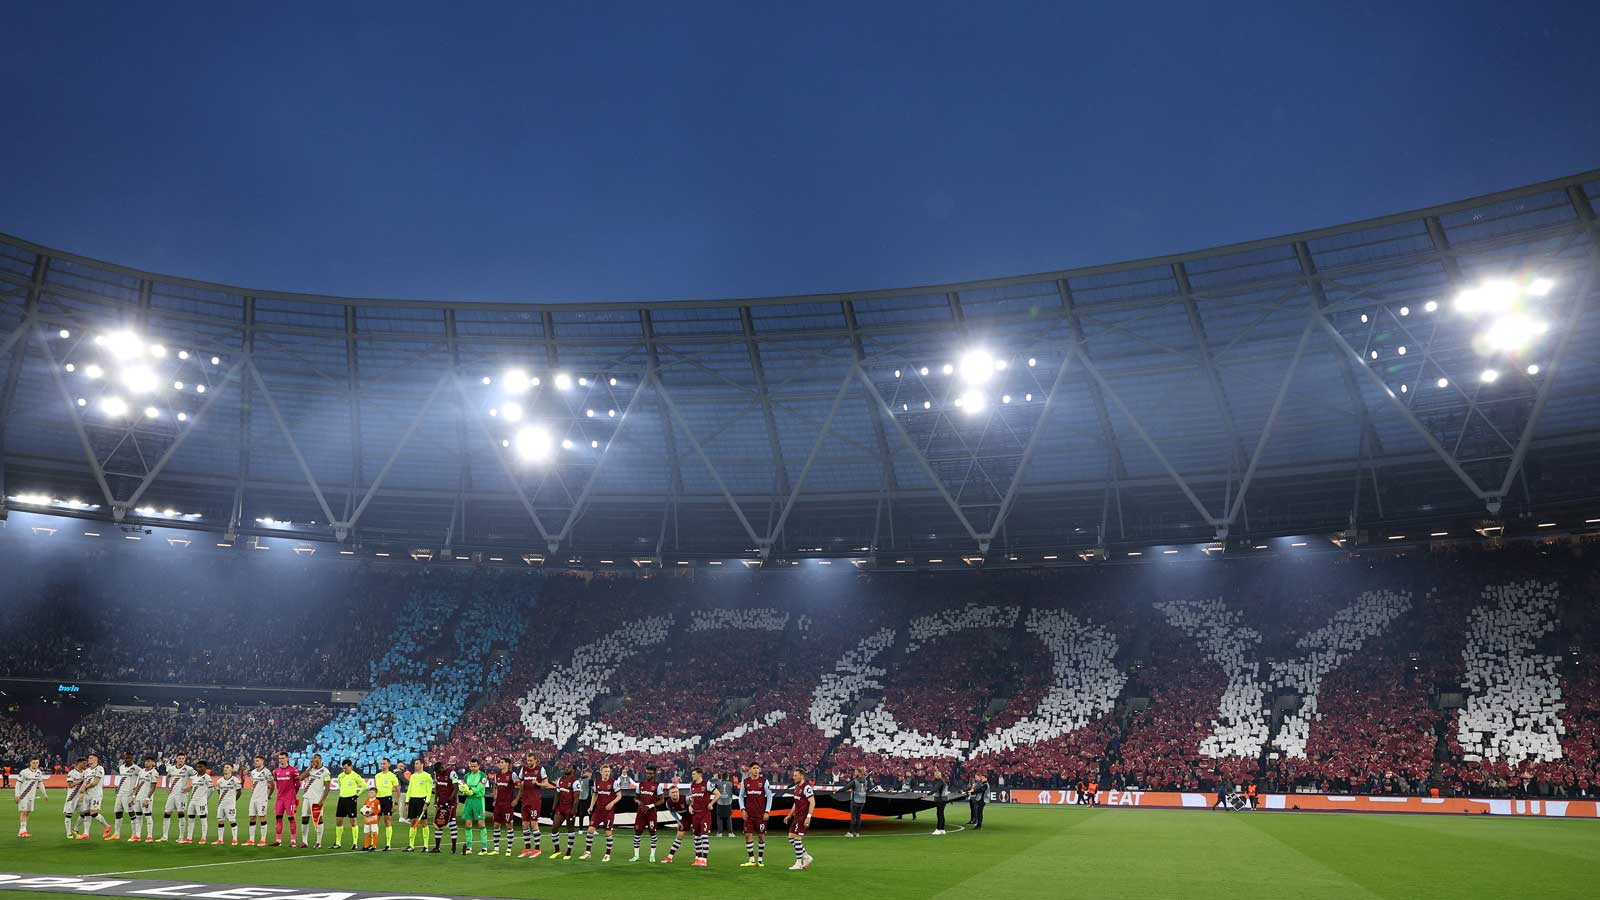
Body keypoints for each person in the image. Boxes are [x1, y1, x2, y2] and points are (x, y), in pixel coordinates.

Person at [581, 763, 619, 861]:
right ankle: (588, 852)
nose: (607, 773)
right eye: (605, 771)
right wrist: (591, 806)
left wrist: (612, 802)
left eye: (608, 772)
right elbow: (595, 795)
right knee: (590, 830)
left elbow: (619, 795)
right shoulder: (596, 782)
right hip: (598, 811)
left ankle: (607, 854)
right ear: (601, 772)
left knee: (608, 833)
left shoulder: (613, 783)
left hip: (608, 812)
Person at [516, 752, 549, 858]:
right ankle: (527, 848)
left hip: (535, 800)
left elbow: (546, 783)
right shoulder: (524, 769)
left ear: (535, 760)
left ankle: (537, 849)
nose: (529, 762)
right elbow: (519, 781)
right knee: (524, 824)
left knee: (534, 823)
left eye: (531, 760)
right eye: (528, 760)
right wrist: (519, 785)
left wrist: (538, 783)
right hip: (525, 800)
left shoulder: (540, 769)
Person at [160, 752, 197, 842]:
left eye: (182, 758)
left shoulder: (188, 769)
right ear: (176, 759)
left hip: (182, 795)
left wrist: (190, 787)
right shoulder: (172, 768)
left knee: (180, 814)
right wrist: (167, 786)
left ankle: (181, 837)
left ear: (184, 759)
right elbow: (168, 777)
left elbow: (197, 777)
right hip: (172, 794)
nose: (180, 760)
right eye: (179, 758)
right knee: (166, 813)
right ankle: (165, 836)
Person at [739, 762, 771, 867]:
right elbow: (741, 796)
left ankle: (760, 860)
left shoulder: (764, 782)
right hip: (749, 815)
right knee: (747, 835)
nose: (756, 770)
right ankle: (751, 860)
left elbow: (769, 797)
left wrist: (767, 811)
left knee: (761, 836)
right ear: (750, 770)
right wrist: (742, 809)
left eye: (758, 768)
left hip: (760, 815)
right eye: (754, 768)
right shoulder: (745, 782)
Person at [783, 767, 815, 871]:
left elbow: (812, 802)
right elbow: (795, 804)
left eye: (796, 775)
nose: (794, 777)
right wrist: (789, 815)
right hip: (797, 817)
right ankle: (806, 856)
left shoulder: (806, 788)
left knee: (797, 839)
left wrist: (808, 817)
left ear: (802, 776)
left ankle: (798, 863)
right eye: (793, 775)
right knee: (791, 838)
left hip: (803, 818)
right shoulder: (796, 787)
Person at [298, 753, 332, 848]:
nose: (314, 761)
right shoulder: (310, 769)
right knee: (304, 818)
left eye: (316, 759)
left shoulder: (326, 772)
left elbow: (327, 787)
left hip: (317, 799)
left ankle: (318, 842)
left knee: (318, 820)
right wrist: (309, 768)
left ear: (320, 760)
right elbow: (300, 778)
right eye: (313, 759)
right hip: (307, 797)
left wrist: (322, 800)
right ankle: (304, 842)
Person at [688, 767, 719, 868]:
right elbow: (693, 799)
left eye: (694, 774)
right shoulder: (692, 785)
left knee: (704, 836)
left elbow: (718, 794)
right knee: (696, 837)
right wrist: (690, 806)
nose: (692, 776)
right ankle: (698, 859)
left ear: (699, 774)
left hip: (705, 814)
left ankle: (704, 859)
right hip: (695, 814)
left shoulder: (707, 784)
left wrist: (711, 803)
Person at [630, 764, 661, 863]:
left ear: (654, 774)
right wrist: (637, 801)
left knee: (653, 833)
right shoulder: (641, 784)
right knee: (637, 833)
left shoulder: (657, 785)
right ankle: (636, 855)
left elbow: (662, 800)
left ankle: (652, 855)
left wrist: (651, 806)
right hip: (641, 812)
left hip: (651, 812)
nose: (648, 775)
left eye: (650, 773)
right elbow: (636, 797)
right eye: (647, 773)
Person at [458, 759, 489, 855]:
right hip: (469, 801)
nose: (472, 768)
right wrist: (464, 790)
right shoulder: (467, 776)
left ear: (479, 766)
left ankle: (484, 848)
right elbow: (463, 786)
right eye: (471, 766)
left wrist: (471, 790)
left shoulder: (483, 776)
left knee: (481, 824)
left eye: (475, 766)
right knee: (467, 824)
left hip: (478, 800)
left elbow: (481, 787)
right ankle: (469, 848)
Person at [403, 758, 434, 852]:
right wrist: (407, 802)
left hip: (422, 801)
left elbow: (429, 791)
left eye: (417, 764)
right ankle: (411, 846)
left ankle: (426, 846)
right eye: (415, 764)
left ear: (422, 764)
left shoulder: (427, 776)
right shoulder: (413, 776)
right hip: (413, 800)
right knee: (412, 822)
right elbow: (409, 790)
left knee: (423, 823)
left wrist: (426, 803)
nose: (415, 765)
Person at [271, 750, 301, 846]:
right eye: (279, 758)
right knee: (278, 818)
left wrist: (293, 794)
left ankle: (293, 840)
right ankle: (278, 840)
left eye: (283, 758)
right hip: (279, 798)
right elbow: (277, 784)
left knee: (291, 818)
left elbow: (298, 783)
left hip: (290, 799)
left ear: (287, 759)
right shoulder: (276, 771)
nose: (281, 760)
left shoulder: (293, 770)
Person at [333, 759, 365, 849]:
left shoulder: (355, 776)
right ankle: (338, 843)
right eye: (343, 768)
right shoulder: (340, 776)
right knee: (339, 820)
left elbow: (364, 786)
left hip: (351, 799)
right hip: (342, 799)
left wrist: (357, 795)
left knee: (353, 821)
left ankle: (355, 843)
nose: (344, 770)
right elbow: (340, 785)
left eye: (346, 768)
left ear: (350, 766)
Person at [13, 756, 46, 837]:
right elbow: (18, 784)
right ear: (30, 763)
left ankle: (24, 830)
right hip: (23, 795)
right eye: (33, 762)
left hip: (32, 796)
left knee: (27, 812)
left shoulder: (39, 772)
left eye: (37, 763)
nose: (35, 764)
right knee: (23, 811)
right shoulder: (24, 772)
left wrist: (44, 794)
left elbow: (40, 783)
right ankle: (21, 831)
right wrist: (17, 795)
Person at [491, 757, 518, 856]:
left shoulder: (512, 775)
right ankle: (496, 849)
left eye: (502, 762)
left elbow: (520, 785)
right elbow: (494, 787)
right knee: (496, 825)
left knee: (508, 825)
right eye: (499, 762)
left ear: (507, 764)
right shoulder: (497, 775)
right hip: (498, 805)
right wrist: (495, 798)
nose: (500, 764)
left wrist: (516, 799)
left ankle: (509, 849)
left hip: (507, 805)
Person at [110, 752, 140, 840]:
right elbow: (123, 778)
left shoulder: (136, 768)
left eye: (130, 758)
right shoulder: (121, 767)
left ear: (133, 759)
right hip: (120, 793)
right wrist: (118, 787)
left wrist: (135, 789)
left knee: (131, 812)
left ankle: (135, 834)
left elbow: (142, 778)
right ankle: (116, 834)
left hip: (129, 794)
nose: (128, 760)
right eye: (126, 758)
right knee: (117, 812)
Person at [432, 763, 460, 854]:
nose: (439, 773)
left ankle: (454, 848)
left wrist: (449, 801)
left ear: (442, 767)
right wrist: (435, 800)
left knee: (452, 823)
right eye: (437, 772)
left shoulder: (452, 773)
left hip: (451, 803)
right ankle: (437, 847)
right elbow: (437, 787)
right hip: (441, 802)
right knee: (438, 823)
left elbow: (456, 788)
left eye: (439, 771)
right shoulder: (437, 774)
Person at [373, 758, 400, 851]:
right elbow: (375, 790)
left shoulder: (392, 776)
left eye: (384, 763)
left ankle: (388, 844)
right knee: (375, 821)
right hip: (378, 800)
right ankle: (373, 843)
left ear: (389, 765)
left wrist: (396, 803)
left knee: (387, 820)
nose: (382, 765)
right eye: (381, 763)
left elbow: (397, 791)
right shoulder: (377, 776)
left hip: (387, 799)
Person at [132, 755, 160, 842]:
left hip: (146, 798)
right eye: (145, 761)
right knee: (138, 816)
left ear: (152, 762)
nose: (146, 762)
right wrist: (133, 796)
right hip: (138, 797)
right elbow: (137, 785)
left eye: (148, 761)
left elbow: (153, 787)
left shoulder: (154, 772)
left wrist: (147, 799)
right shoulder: (141, 771)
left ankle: (149, 836)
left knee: (148, 816)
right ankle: (137, 835)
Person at [660, 783, 690, 864]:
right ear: (669, 794)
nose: (675, 794)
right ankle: (670, 857)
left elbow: (695, 802)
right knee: (679, 837)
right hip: (685, 819)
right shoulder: (668, 803)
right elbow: (672, 812)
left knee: (698, 836)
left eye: (676, 792)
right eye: (673, 792)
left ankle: (700, 858)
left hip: (695, 816)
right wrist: (678, 821)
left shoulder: (686, 799)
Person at [246, 755, 273, 845]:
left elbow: (272, 785)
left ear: (262, 761)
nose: (255, 762)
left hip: (262, 798)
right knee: (252, 817)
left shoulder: (266, 772)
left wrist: (269, 795)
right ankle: (251, 840)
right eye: (255, 761)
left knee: (262, 817)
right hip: (253, 798)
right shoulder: (253, 772)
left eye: (257, 761)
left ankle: (263, 840)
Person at [183, 761, 213, 843]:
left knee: (203, 819)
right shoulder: (194, 777)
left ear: (205, 768)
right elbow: (194, 786)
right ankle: (189, 838)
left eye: (201, 767)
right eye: (198, 767)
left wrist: (205, 799)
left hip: (201, 801)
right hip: (193, 800)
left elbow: (211, 790)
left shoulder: (207, 777)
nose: (199, 768)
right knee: (190, 818)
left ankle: (203, 838)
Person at [214, 763, 243, 845]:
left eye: (227, 767)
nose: (225, 769)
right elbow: (219, 791)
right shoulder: (219, 781)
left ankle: (235, 840)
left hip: (230, 805)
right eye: (224, 767)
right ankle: (220, 840)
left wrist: (233, 800)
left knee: (232, 821)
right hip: (221, 804)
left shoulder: (235, 780)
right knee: (220, 821)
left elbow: (239, 792)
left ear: (231, 769)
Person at [553, 765, 578, 859]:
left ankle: (568, 852)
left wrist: (573, 812)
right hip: (560, 808)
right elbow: (557, 795)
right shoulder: (560, 780)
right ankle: (557, 850)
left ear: (573, 770)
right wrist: (553, 809)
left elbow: (576, 799)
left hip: (569, 809)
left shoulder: (575, 782)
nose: (566, 768)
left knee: (570, 830)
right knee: (554, 828)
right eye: (566, 767)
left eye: (569, 768)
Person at [64, 758, 88, 839]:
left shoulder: (85, 773)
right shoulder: (72, 773)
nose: (86, 765)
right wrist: (80, 782)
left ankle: (76, 829)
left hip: (81, 797)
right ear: (79, 763)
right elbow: (70, 785)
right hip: (72, 797)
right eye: (84, 763)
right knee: (68, 814)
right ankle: (68, 833)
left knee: (83, 813)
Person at [845, 767, 870, 837]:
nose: (854, 773)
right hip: (862, 800)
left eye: (855, 772)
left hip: (855, 800)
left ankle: (850, 833)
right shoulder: (865, 781)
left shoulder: (854, 781)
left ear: (859, 773)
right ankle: (857, 833)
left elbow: (846, 787)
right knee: (859, 817)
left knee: (853, 817)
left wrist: (837, 791)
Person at [928, 768, 948, 835]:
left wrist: (927, 794)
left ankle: (938, 829)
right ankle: (942, 829)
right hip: (944, 799)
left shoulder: (940, 782)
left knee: (939, 814)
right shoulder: (943, 781)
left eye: (934, 775)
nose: (934, 776)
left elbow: (935, 790)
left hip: (940, 800)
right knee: (941, 814)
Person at [714, 772, 734, 837]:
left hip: (720, 802)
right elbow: (736, 792)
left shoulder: (718, 784)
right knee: (729, 818)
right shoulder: (731, 784)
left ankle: (720, 833)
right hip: (728, 802)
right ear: (728, 777)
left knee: (719, 818)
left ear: (722, 777)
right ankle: (730, 833)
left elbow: (712, 790)